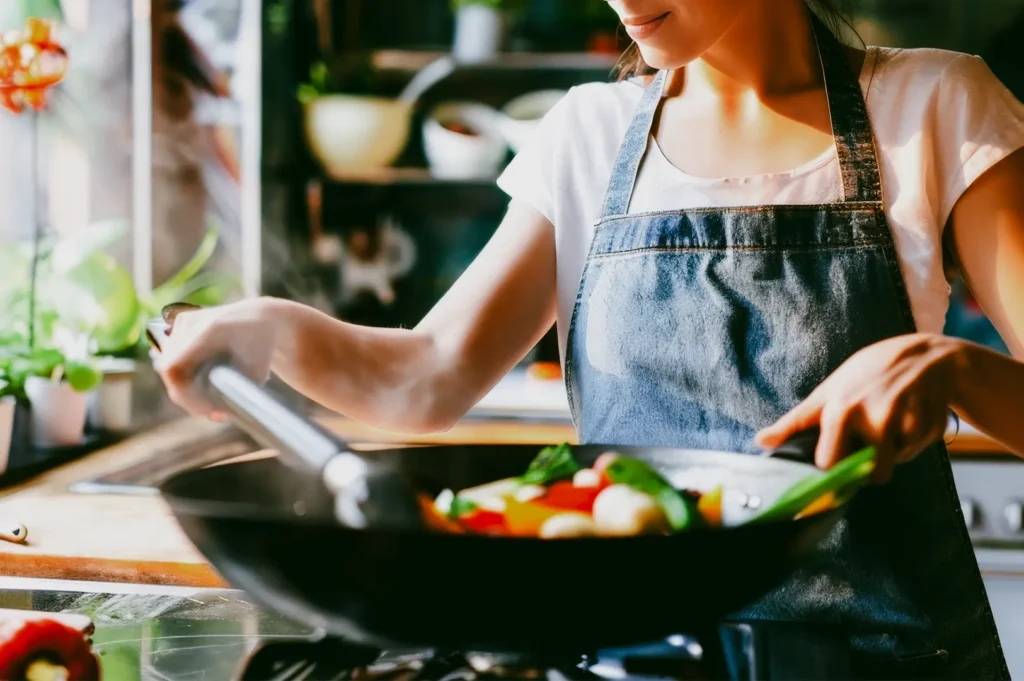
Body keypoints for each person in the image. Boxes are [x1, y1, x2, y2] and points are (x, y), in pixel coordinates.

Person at [156, 0, 1024, 677]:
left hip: (887, 664)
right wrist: (272, 325)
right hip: (625, 661)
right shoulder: (587, 133)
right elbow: (425, 379)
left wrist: (953, 368)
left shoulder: (934, 104)